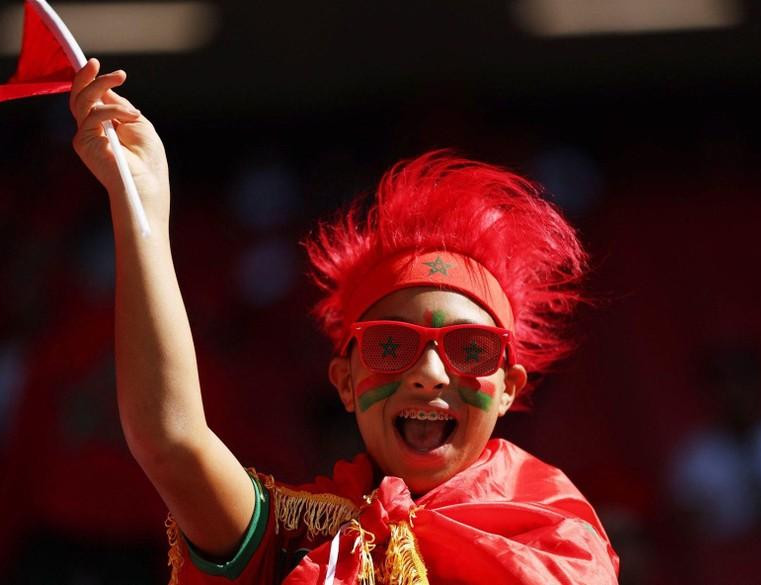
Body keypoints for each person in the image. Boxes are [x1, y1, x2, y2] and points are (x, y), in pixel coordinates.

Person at [68, 58, 620, 584]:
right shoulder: (296, 535)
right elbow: (172, 441)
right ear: (346, 382)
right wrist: (139, 202)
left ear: (508, 388)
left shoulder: (556, 540)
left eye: (469, 348)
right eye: (390, 345)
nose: (428, 372)